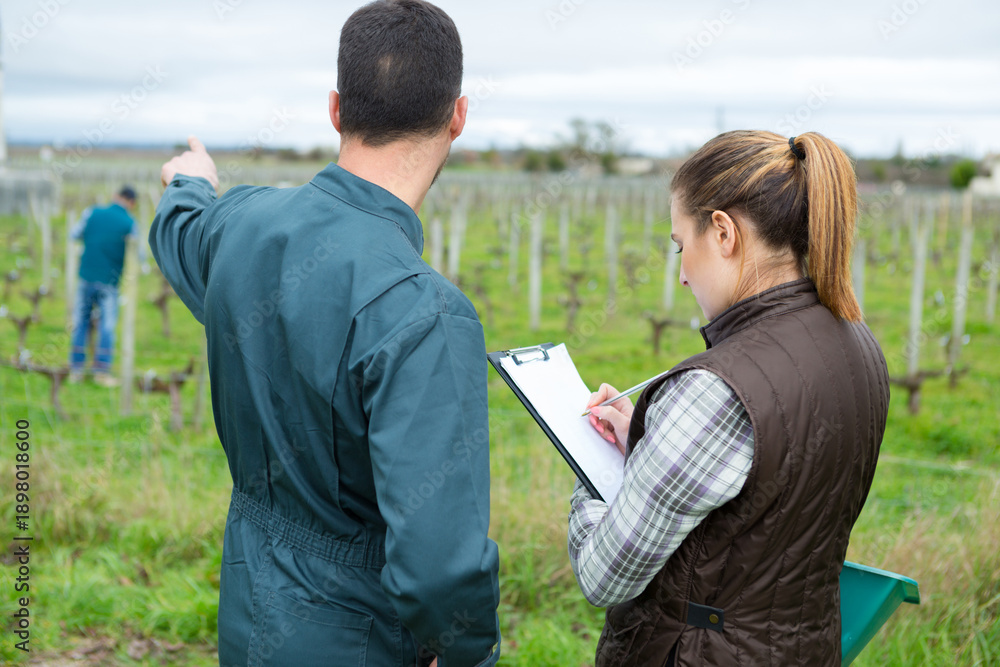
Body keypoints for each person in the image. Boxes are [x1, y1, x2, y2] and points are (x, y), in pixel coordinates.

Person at [149, 2, 500, 666]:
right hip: (358, 636)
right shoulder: (425, 311)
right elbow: (439, 569)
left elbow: (181, 231)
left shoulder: (242, 225)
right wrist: (464, 652)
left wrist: (188, 182)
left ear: (337, 109)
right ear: (457, 116)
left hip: (249, 605)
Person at [568, 130, 889, 666]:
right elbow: (768, 494)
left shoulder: (714, 392)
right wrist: (646, 443)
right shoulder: (858, 342)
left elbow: (606, 575)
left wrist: (585, 464)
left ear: (722, 232)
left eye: (680, 245)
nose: (682, 275)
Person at [68, 185, 144, 387]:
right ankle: (101, 372)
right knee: (107, 326)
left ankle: (76, 370)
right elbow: (140, 254)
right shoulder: (130, 222)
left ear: (115, 196)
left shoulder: (92, 212)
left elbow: (74, 234)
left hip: (85, 276)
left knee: (80, 322)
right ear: (132, 203)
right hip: (109, 283)